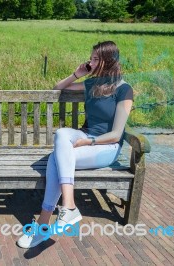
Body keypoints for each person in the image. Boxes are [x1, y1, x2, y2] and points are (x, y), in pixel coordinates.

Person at [17, 41, 133, 248]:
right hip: (84, 138)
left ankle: (43, 224)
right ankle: (68, 206)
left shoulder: (124, 90)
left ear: (109, 61)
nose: (91, 61)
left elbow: (116, 135)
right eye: (92, 57)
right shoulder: (92, 84)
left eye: (96, 59)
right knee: (61, 134)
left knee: (56, 159)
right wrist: (77, 74)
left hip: (106, 147)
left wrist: (88, 141)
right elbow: (57, 88)